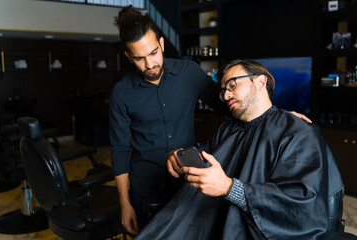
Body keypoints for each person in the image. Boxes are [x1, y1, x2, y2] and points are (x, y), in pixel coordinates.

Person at [110, 6, 311, 235]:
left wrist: (277, 116)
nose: (150, 64)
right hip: (144, 188)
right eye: (139, 58)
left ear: (162, 44)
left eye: (154, 53)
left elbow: (231, 105)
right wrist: (125, 204)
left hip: (186, 183)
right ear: (128, 56)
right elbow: (118, 149)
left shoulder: (189, 73)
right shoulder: (121, 93)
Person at [134, 59, 344, 239]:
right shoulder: (227, 130)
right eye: (223, 90)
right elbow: (203, 156)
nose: (226, 95)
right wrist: (178, 157)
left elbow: (301, 203)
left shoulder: (297, 132)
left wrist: (229, 188)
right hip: (213, 222)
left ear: (260, 81)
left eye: (232, 85)